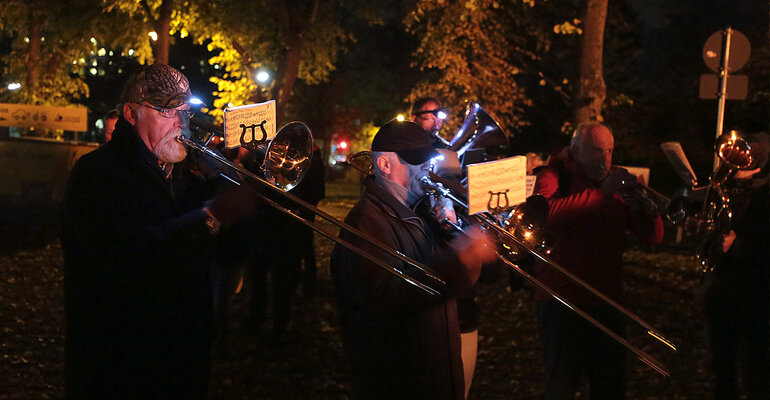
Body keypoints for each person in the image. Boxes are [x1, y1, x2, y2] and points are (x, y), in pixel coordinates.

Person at [62, 64, 258, 399]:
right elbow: (127, 257)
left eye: (184, 112)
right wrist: (212, 216)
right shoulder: (97, 173)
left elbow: (229, 253)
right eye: (167, 111)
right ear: (131, 113)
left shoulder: (186, 176)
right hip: (118, 363)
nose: (181, 123)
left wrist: (241, 192)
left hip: (184, 357)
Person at [330, 120, 496, 400]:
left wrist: (450, 233)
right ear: (384, 165)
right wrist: (458, 260)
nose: (426, 169)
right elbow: (386, 297)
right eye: (416, 161)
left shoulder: (422, 211)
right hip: (399, 381)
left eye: (427, 160)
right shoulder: (365, 222)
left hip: (434, 373)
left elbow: (464, 284)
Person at [532, 122, 664, 400]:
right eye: (596, 151)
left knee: (610, 384)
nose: (605, 159)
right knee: (562, 385)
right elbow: (547, 215)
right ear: (576, 149)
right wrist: (602, 193)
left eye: (610, 151)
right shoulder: (553, 175)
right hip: (561, 301)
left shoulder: (614, 183)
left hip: (606, 299)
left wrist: (646, 210)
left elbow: (653, 237)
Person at [698, 132, 769, 400]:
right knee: (721, 370)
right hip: (719, 293)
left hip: (755, 296)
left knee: (755, 371)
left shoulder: (763, 195)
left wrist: (738, 246)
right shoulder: (726, 187)